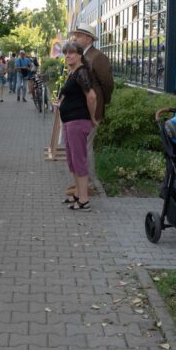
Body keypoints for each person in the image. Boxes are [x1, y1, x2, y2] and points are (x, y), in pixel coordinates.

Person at [69, 23, 114, 191]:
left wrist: (103, 102)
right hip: (81, 108)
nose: (75, 38)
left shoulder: (97, 56)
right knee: (81, 147)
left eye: (79, 35)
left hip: (92, 108)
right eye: (75, 35)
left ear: (88, 38)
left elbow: (108, 83)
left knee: (85, 147)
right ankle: (84, 182)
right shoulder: (81, 56)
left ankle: (88, 185)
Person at [58, 42, 97, 212]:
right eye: (66, 53)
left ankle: (84, 200)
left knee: (79, 161)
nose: (67, 56)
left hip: (78, 121)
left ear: (80, 55)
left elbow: (92, 97)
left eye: (71, 53)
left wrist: (93, 117)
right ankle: (77, 193)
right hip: (69, 121)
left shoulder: (81, 72)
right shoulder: (73, 72)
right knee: (72, 161)